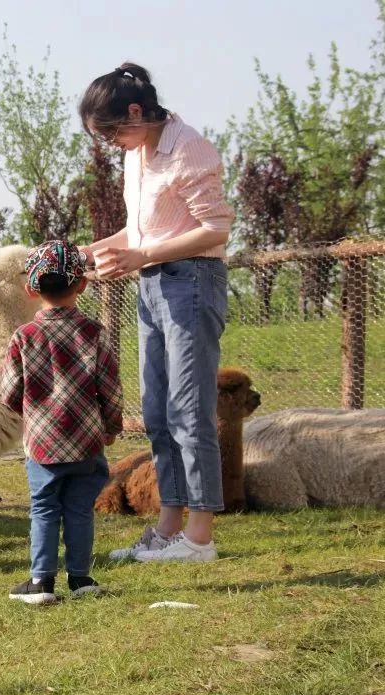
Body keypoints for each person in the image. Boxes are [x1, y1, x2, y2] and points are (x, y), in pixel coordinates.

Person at [78, 62, 234, 562]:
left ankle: (200, 537)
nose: (112, 144)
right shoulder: (139, 155)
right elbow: (141, 233)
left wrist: (142, 256)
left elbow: (215, 229)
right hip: (153, 287)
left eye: (113, 132)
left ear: (138, 112)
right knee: (157, 413)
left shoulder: (189, 147)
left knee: (190, 412)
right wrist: (88, 253)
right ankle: (168, 528)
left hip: (192, 283)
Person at [0, 240, 123, 604]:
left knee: (44, 508)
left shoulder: (25, 337)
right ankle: (81, 579)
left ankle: (41, 582)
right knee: (80, 509)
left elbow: (9, 391)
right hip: (86, 442)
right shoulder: (95, 333)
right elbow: (111, 389)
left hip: (42, 445)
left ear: (31, 290)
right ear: (82, 284)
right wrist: (111, 427)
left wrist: (31, 416)